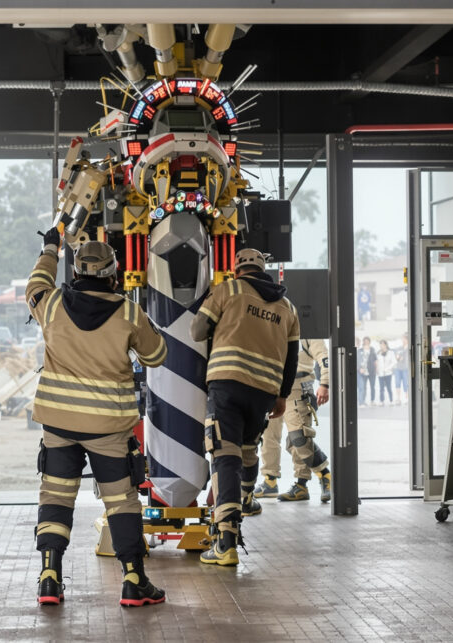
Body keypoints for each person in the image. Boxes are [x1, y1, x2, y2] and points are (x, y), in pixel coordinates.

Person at [27, 230, 168, 607]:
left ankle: (49, 577)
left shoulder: (51, 304)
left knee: (56, 496)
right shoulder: (128, 312)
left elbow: (36, 282)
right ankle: (134, 581)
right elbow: (156, 356)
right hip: (108, 427)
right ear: (113, 273)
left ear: (75, 272)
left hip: (58, 424)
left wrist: (51, 248)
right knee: (121, 501)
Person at [191, 248, 299, 567]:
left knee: (224, 457)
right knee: (248, 448)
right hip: (265, 393)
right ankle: (247, 497)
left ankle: (226, 540)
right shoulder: (287, 306)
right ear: (264, 269)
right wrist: (281, 395)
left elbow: (197, 331)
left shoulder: (228, 291)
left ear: (237, 269)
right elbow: (291, 360)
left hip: (227, 383)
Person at [254, 338, 333, 502]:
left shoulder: (307, 332)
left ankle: (322, 476)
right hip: (271, 386)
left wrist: (325, 383)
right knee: (268, 436)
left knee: (298, 438)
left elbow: (324, 356)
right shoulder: (275, 325)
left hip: (298, 387)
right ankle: (270, 480)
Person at [358, 336, 377, 407]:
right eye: (365, 341)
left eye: (367, 341)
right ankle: (362, 402)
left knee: (372, 387)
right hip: (363, 372)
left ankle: (372, 401)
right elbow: (357, 361)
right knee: (363, 387)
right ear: (363, 342)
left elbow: (375, 360)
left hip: (371, 372)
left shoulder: (372, 350)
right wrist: (359, 369)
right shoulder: (360, 351)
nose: (366, 342)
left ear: (369, 342)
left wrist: (376, 370)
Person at [377, 339, 396, 405]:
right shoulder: (378, 353)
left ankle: (391, 400)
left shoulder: (391, 352)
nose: (381, 346)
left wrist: (388, 368)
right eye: (380, 344)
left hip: (388, 373)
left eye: (383, 344)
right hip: (380, 374)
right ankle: (381, 401)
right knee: (381, 388)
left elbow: (394, 362)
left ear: (386, 345)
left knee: (389, 387)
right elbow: (377, 363)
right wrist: (378, 370)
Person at [394, 336, 410, 404]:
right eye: (402, 339)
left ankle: (407, 398)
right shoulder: (399, 348)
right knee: (397, 383)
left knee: (406, 383)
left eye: (404, 339)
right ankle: (398, 398)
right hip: (398, 368)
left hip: (406, 368)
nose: (403, 340)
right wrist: (397, 358)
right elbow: (396, 357)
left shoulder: (409, 348)